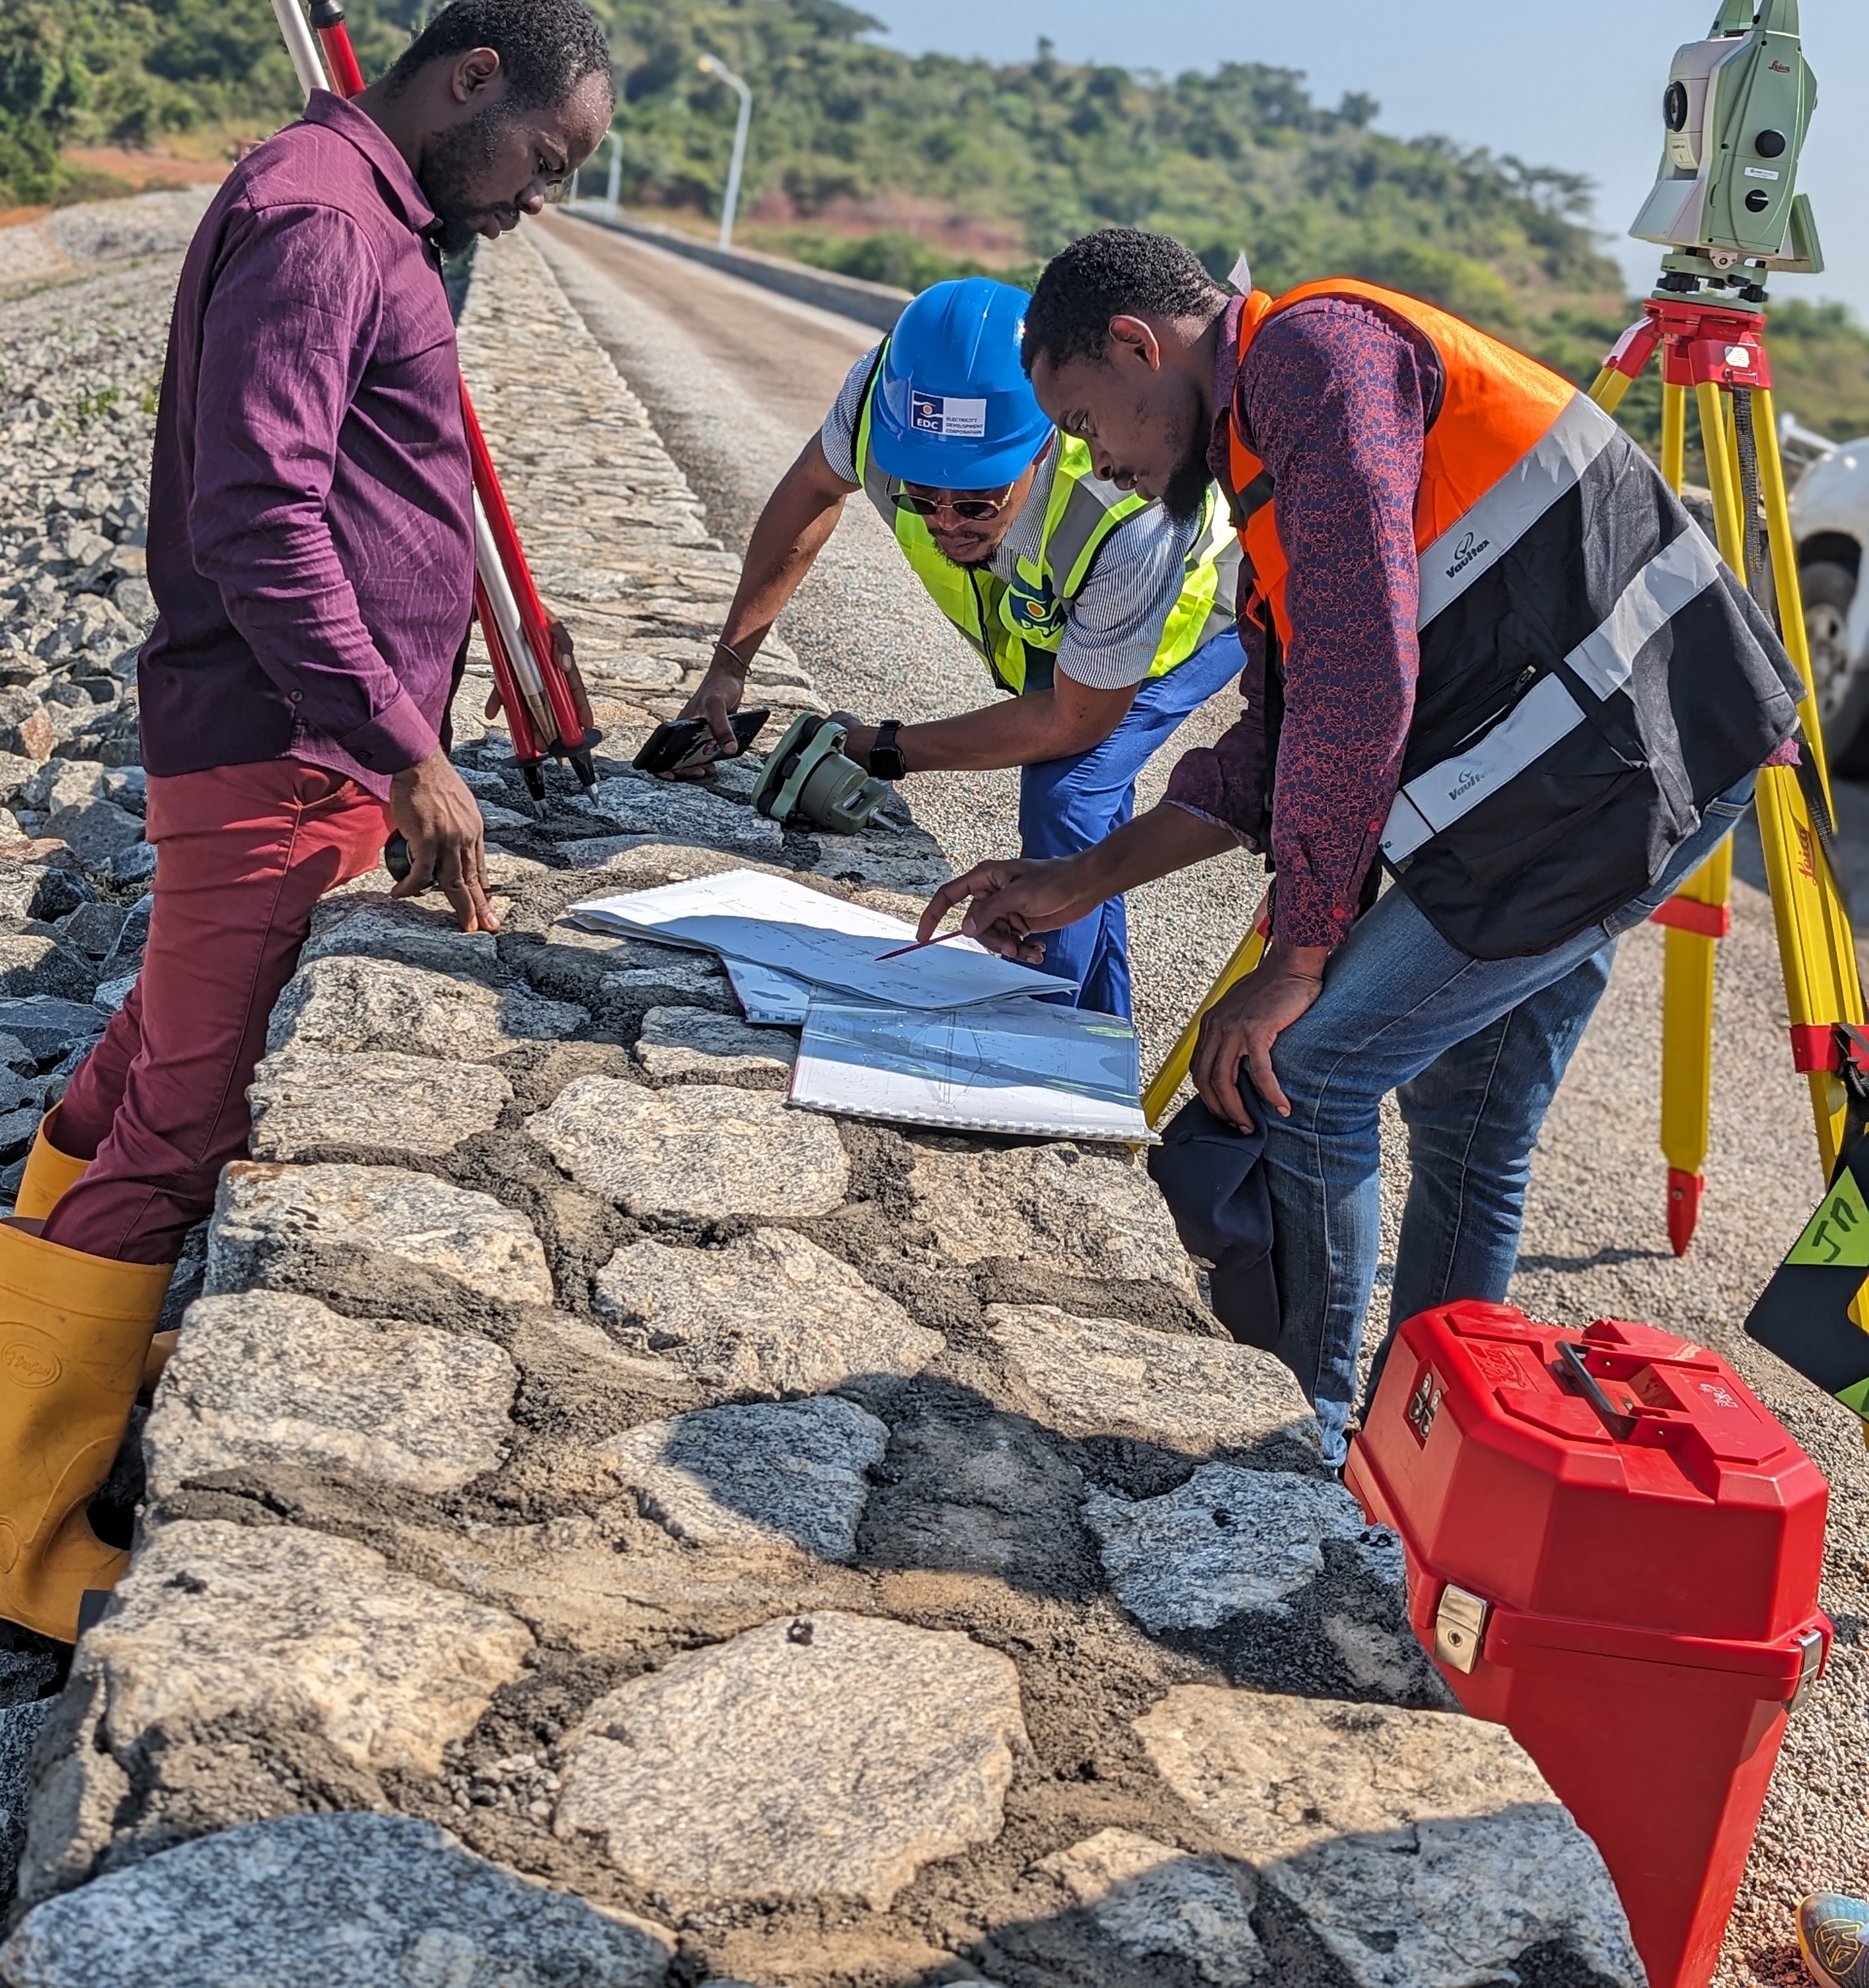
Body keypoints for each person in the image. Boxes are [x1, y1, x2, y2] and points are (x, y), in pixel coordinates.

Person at [0, 0, 613, 1648]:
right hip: (287, 752)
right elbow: (257, 509)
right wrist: (408, 750)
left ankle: (69, 1373)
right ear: (471, 79)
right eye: (546, 151)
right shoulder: (326, 221)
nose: (543, 194)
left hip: (286, 742)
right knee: (185, 1125)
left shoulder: (353, 202)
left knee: (141, 1078)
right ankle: (24, 1547)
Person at [919, 227, 1800, 1464]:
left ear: (1137, 346)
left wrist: (1299, 956)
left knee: (1309, 1069)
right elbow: (1275, 743)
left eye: (1082, 422)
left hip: (1620, 778)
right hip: (1596, 775)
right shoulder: (1260, 457)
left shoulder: (1311, 362)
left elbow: (1360, 681)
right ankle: (1418, 1455)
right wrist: (1078, 880)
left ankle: (1312, 1439)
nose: (1096, 463)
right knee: (1471, 1123)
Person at [671, 271, 1243, 1014]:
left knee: (1067, 793)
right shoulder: (881, 403)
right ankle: (1098, 1039)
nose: (945, 523)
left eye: (977, 500)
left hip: (1187, 616)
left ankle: (1043, 1036)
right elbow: (809, 491)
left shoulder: (1131, 522)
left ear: (1045, 442)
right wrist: (728, 668)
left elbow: (1073, 720)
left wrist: (886, 746)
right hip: (1068, 616)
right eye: (920, 493)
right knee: (1085, 818)